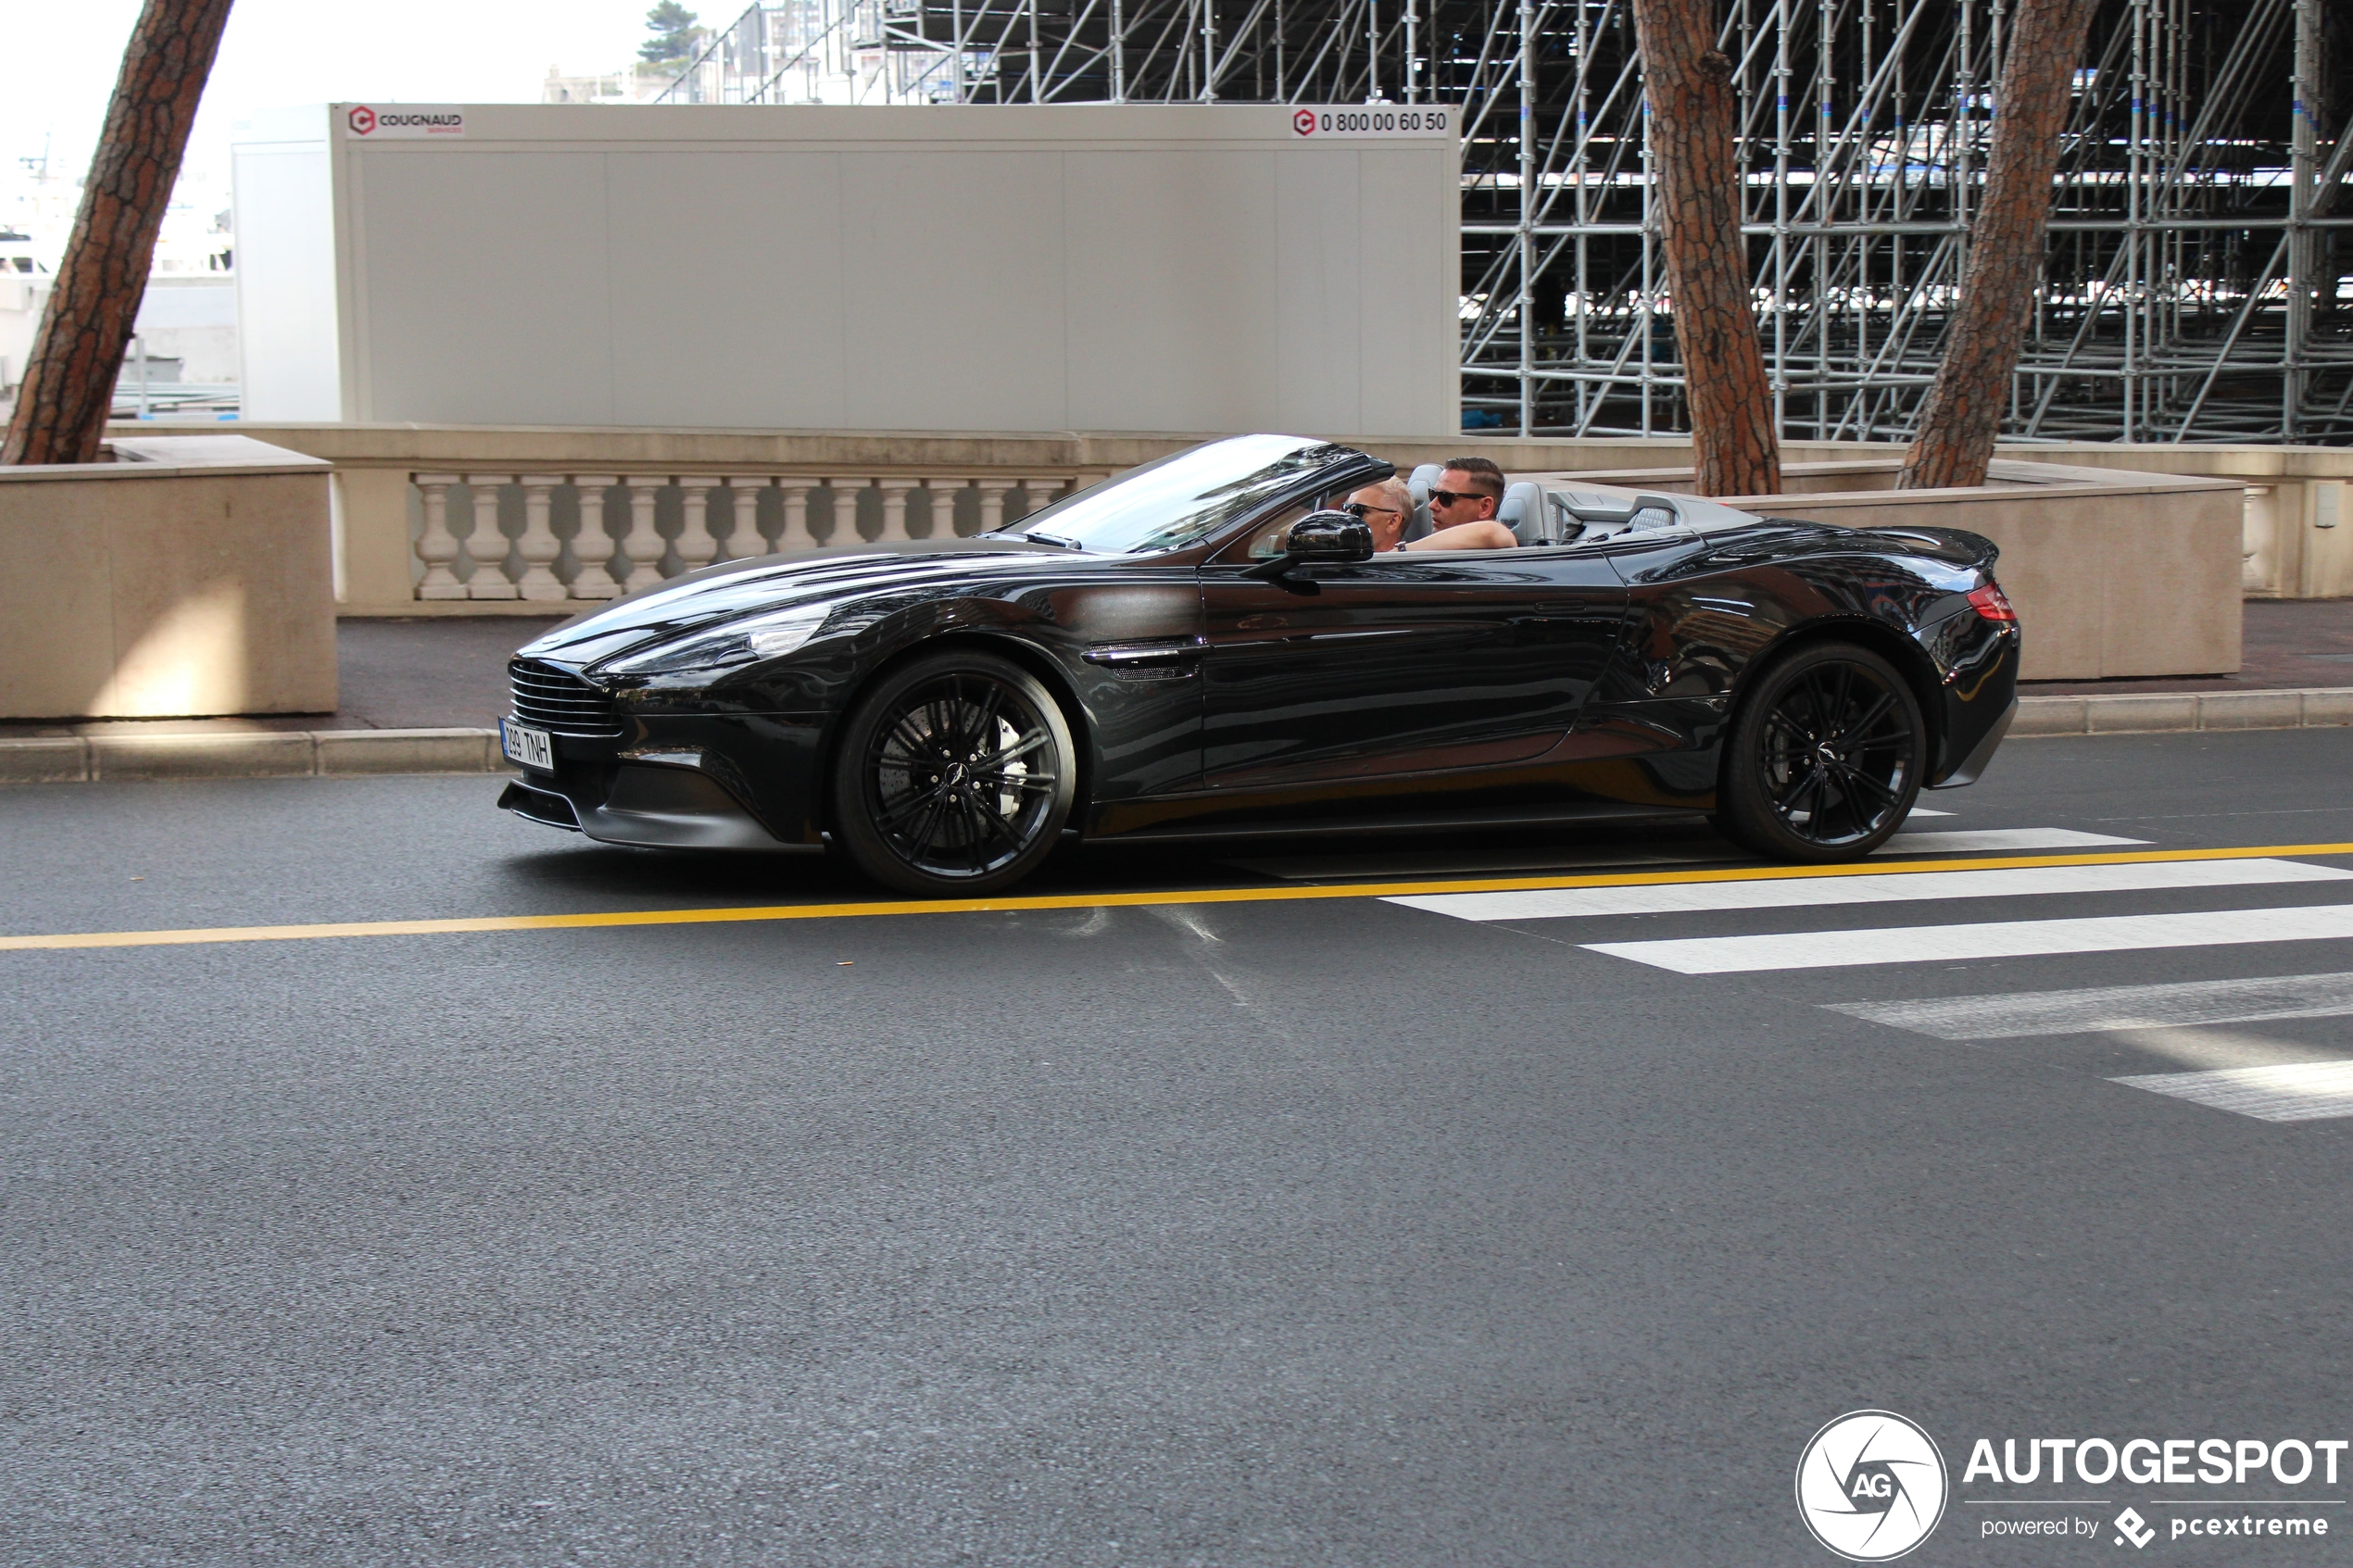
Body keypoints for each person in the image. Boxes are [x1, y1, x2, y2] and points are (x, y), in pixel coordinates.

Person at [1343, 475, 1515, 552]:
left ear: (1393, 522)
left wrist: (1400, 553)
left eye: (1358, 511)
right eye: (1345, 509)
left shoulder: (1412, 559)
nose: (1432, 505)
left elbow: (1492, 532)